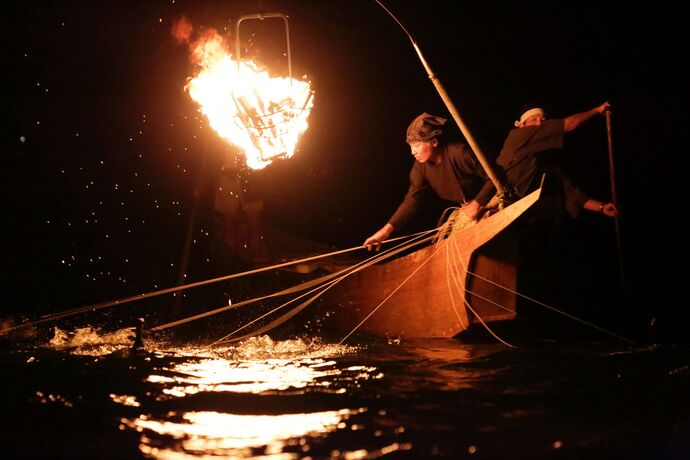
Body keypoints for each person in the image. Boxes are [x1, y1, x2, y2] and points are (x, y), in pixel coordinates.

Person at [363, 112, 497, 251]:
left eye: (416, 145)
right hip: (467, 212)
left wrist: (477, 204)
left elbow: (494, 178)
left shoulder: (459, 153)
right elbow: (413, 199)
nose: (412, 152)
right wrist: (385, 231)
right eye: (410, 146)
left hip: (489, 202)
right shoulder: (420, 167)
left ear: (433, 142)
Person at [496, 102, 618, 220]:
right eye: (533, 119)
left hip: (522, 214)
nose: (539, 124)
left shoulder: (543, 160)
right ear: (522, 125)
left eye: (543, 120)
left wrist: (601, 207)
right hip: (498, 198)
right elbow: (567, 125)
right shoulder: (517, 136)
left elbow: (571, 193)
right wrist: (596, 110)